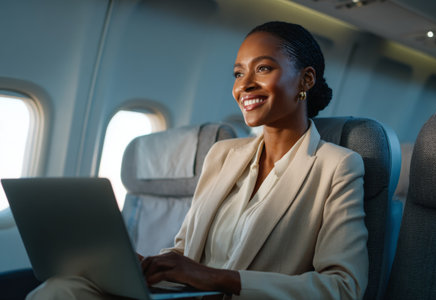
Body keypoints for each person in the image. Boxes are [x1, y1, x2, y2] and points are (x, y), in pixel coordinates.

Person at [28, 21, 368, 299]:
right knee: (61, 289)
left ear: (306, 79)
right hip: (185, 295)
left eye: (263, 68)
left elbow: (343, 288)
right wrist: (149, 266)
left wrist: (219, 278)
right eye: (238, 74)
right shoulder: (223, 155)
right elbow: (185, 250)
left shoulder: (337, 167)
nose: (244, 85)